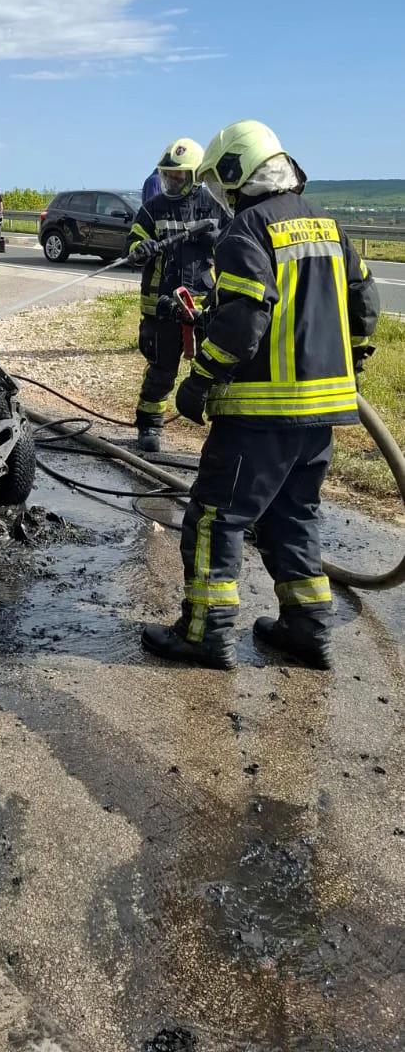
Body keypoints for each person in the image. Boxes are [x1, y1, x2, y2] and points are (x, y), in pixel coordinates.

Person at [141, 121, 380, 672]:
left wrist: (200, 379)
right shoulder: (329, 226)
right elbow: (363, 308)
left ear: (235, 172)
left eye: (223, 182)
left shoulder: (246, 229)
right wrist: (352, 367)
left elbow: (246, 320)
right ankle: (306, 629)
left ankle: (204, 633)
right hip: (321, 416)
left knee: (212, 517)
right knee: (292, 516)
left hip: (260, 413)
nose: (222, 195)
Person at [127, 138, 228, 455]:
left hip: (203, 305)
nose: (171, 181)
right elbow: (133, 244)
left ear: (195, 176)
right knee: (161, 370)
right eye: (167, 175)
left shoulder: (214, 206)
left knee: (216, 370)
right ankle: (149, 426)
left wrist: (217, 238)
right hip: (162, 306)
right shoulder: (153, 208)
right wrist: (139, 250)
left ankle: (223, 433)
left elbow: (236, 248)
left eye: (178, 176)